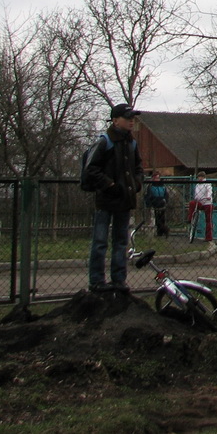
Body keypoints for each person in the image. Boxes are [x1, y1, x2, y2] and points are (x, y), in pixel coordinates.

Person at [84, 103, 144, 293]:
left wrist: (137, 184)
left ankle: (119, 280)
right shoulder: (105, 142)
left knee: (121, 242)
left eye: (133, 118)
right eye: (128, 118)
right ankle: (97, 281)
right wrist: (109, 185)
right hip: (106, 200)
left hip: (125, 201)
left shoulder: (132, 143)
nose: (131, 121)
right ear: (116, 120)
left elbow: (139, 168)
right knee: (100, 241)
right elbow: (91, 168)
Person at [188, 171, 214, 243]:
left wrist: (208, 196)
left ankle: (208, 237)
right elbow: (196, 194)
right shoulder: (197, 185)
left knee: (208, 220)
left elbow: (209, 190)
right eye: (199, 177)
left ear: (204, 177)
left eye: (201, 177)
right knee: (192, 203)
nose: (200, 178)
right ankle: (190, 218)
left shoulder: (207, 184)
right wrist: (196, 198)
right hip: (200, 202)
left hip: (207, 202)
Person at [144, 171, 169, 237]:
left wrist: (165, 200)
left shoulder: (163, 186)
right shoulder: (150, 186)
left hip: (162, 203)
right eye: (155, 178)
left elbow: (166, 194)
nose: (157, 179)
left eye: (158, 178)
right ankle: (163, 230)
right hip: (154, 203)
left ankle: (160, 232)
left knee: (162, 218)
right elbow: (147, 195)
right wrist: (149, 204)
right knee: (157, 219)